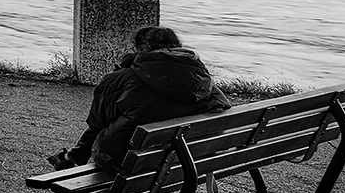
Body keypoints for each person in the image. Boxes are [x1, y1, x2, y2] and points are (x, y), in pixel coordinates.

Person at [48, 26, 232, 172]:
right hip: (186, 158)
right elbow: (222, 107)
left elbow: (97, 122)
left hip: (128, 160)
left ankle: (73, 159)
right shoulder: (201, 78)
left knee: (106, 131)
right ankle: (72, 157)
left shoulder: (122, 78)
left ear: (141, 49)